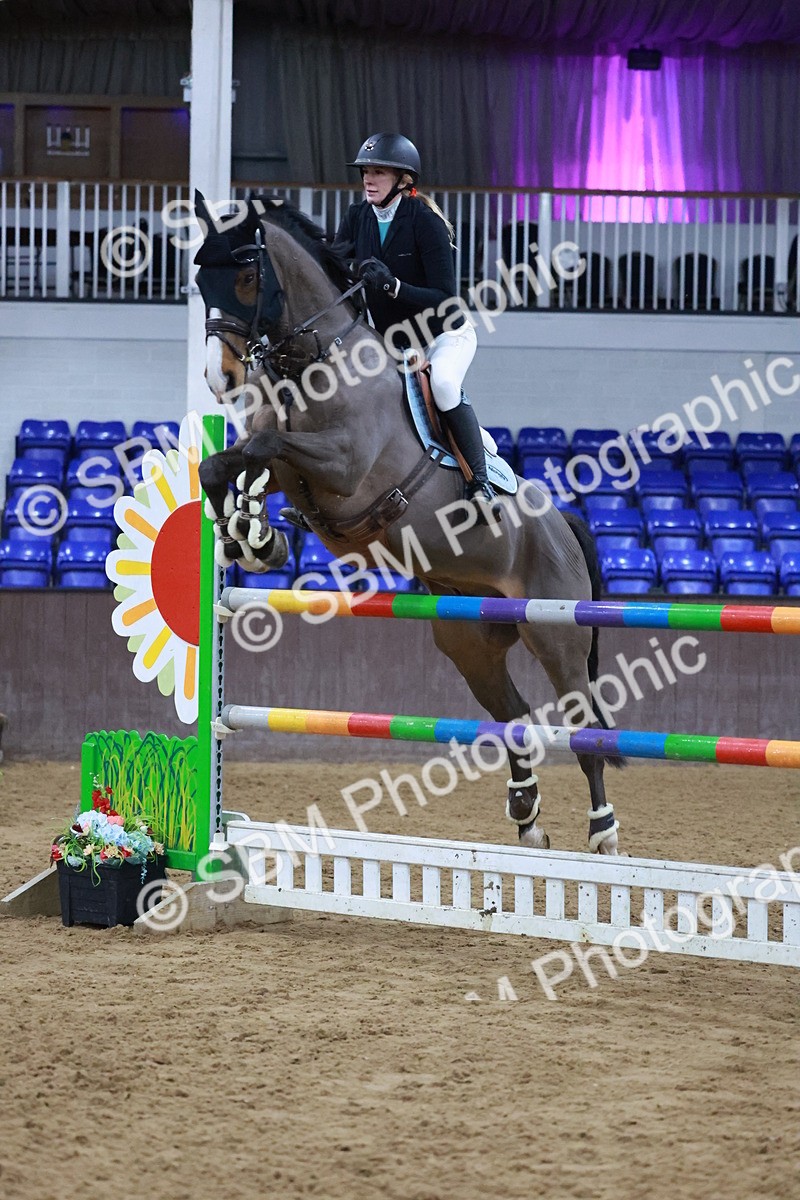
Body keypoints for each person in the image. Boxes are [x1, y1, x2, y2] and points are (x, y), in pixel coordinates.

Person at [336, 132, 495, 510]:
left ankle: (480, 483)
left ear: (403, 180)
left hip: (444, 335)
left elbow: (444, 297)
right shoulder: (357, 216)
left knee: (442, 384)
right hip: (395, 341)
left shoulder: (425, 220)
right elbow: (335, 264)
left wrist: (392, 286)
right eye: (365, 173)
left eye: (378, 172)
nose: (368, 180)